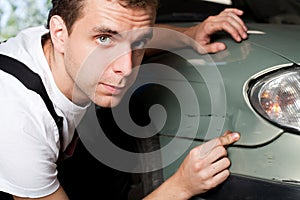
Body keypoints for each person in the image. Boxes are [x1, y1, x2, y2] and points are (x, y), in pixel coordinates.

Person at [0, 0, 246, 199]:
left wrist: (190, 35)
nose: (127, 68)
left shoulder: (60, 43)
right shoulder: (18, 119)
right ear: (59, 34)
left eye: (138, 43)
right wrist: (182, 186)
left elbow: (128, 36)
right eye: (104, 39)